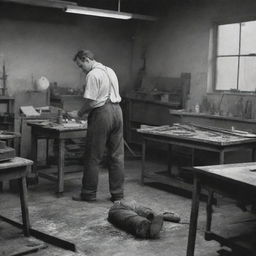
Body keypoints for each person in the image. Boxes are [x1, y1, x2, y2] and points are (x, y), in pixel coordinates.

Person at [69, 49, 124, 202]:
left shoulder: (93, 74)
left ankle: (88, 193)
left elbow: (92, 102)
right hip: (118, 111)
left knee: (93, 155)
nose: (81, 69)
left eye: (81, 66)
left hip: (103, 113)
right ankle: (118, 194)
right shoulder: (110, 70)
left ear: (86, 59)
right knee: (117, 156)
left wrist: (78, 114)